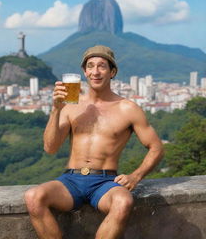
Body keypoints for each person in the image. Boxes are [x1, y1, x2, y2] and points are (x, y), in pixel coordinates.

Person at [24, 45, 164, 239]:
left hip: (105, 182)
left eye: (102, 66)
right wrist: (56, 109)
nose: (95, 71)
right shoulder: (71, 106)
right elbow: (50, 147)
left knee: (123, 202)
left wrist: (135, 176)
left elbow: (156, 147)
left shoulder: (128, 108)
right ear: (84, 72)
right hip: (71, 180)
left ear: (112, 72)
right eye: (90, 66)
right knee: (33, 197)